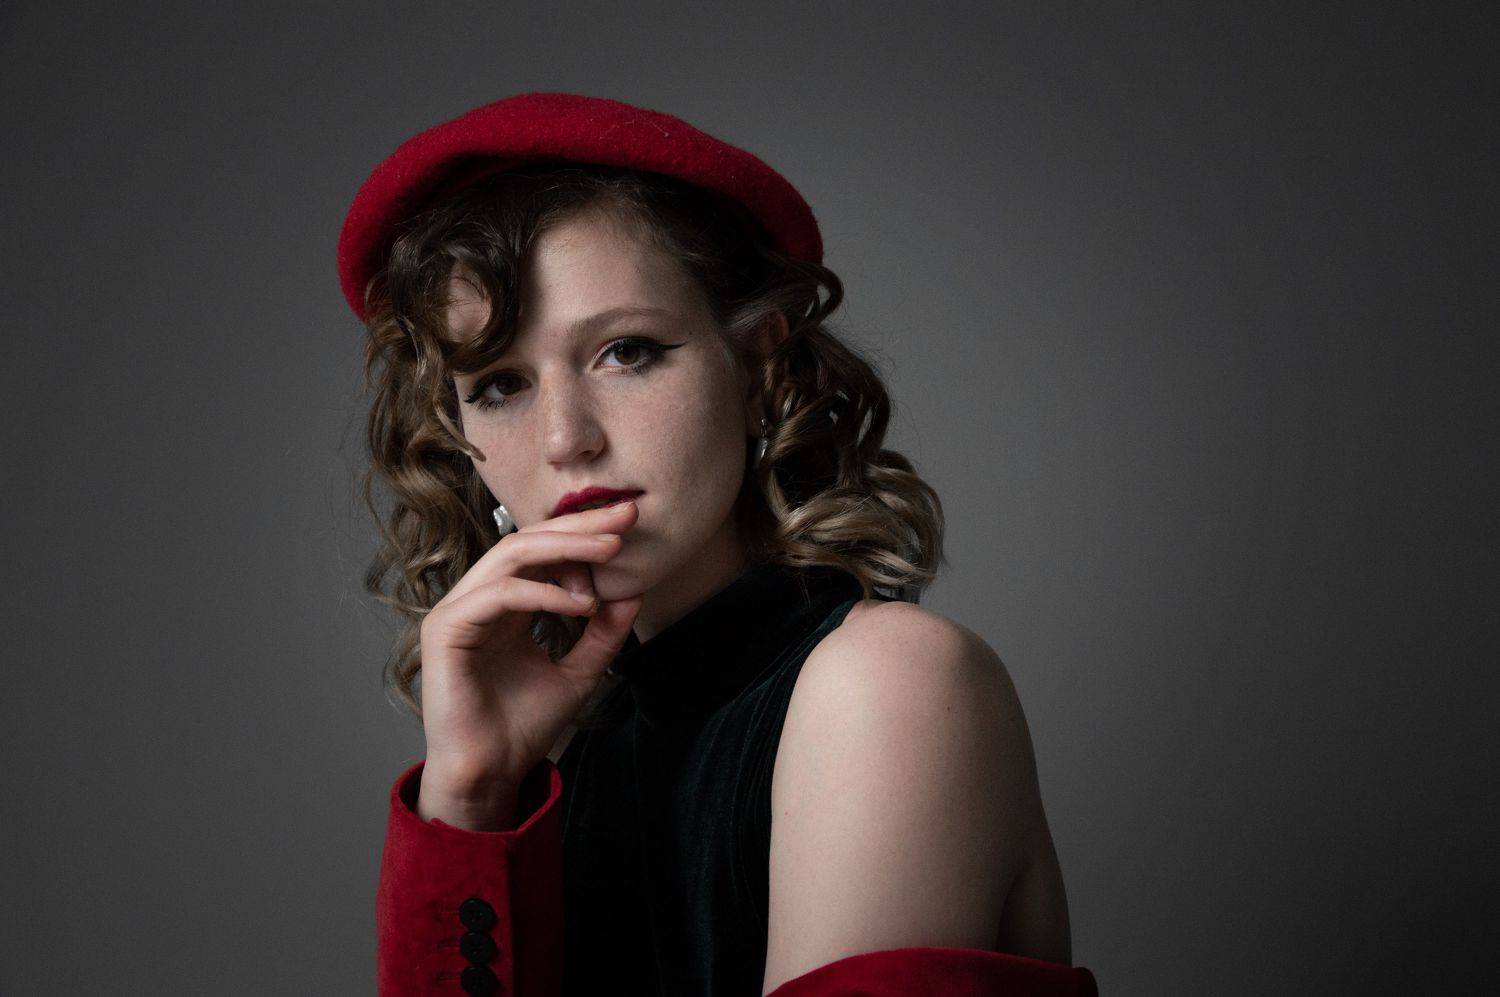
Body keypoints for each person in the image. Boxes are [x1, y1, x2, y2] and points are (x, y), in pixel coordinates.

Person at [337, 92, 1099, 996]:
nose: (565, 438)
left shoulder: (886, 687)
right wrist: (468, 799)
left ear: (759, 367)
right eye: (500, 385)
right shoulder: (574, 751)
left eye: (625, 350)